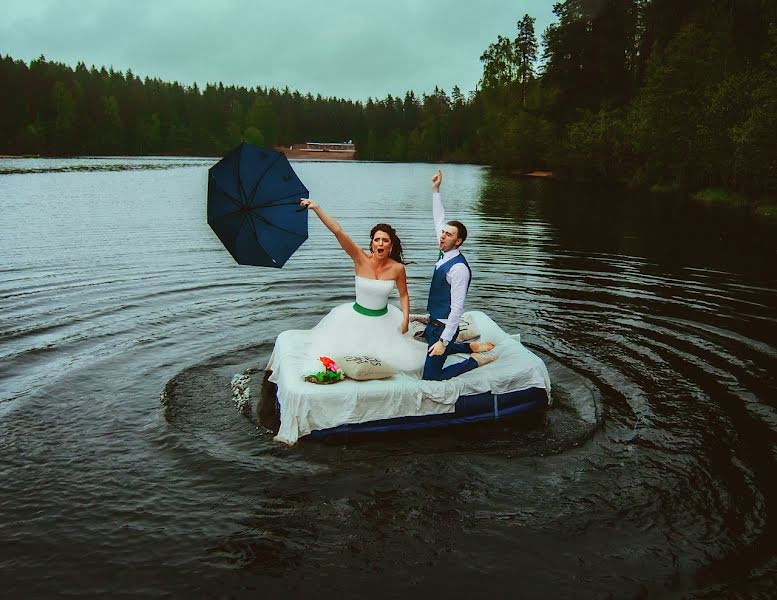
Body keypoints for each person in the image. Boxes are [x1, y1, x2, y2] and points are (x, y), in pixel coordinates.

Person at [299, 198, 427, 372]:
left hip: (384, 321)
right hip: (355, 319)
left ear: (391, 246)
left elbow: (403, 295)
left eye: (385, 240)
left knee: (406, 363)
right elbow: (338, 231)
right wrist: (317, 208)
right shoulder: (360, 259)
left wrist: (405, 319)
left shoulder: (397, 268)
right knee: (337, 358)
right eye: (377, 240)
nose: (380, 243)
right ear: (372, 243)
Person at [422, 170, 496, 381]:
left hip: (444, 327)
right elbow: (439, 218)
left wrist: (443, 342)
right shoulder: (444, 249)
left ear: (458, 241)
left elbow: (456, 310)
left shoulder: (458, 269)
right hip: (433, 322)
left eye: (448, 234)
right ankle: (468, 346)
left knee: (430, 378)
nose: (442, 235)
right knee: (425, 338)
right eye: (443, 232)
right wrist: (436, 189)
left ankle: (474, 360)